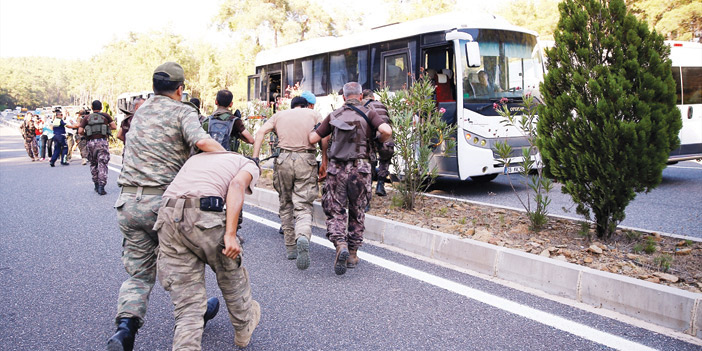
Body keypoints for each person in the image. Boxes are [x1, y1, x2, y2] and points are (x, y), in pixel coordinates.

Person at [108, 62, 226, 351]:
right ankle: (193, 314)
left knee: (139, 273)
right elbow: (202, 142)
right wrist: (231, 159)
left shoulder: (141, 110)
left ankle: (125, 328)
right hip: (165, 205)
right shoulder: (183, 110)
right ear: (180, 89)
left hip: (128, 202)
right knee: (186, 265)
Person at [156, 151, 262, 349]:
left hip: (168, 217)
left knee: (188, 306)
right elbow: (237, 186)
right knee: (230, 272)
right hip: (204, 215)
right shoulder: (248, 164)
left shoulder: (196, 158)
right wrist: (230, 234)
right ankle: (243, 329)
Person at [309, 82, 392, 275]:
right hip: (361, 168)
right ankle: (353, 254)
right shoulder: (369, 113)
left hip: (337, 169)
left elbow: (313, 139)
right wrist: (376, 139)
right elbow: (387, 131)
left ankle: (340, 244)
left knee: (335, 209)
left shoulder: (334, 115)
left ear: (344, 97)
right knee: (357, 209)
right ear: (361, 96)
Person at [252, 95, 324, 270]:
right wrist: (326, 161)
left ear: (292, 106)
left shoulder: (279, 115)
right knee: (303, 204)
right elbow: (324, 137)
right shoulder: (314, 115)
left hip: (283, 159)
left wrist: (255, 158)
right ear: (306, 105)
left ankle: (291, 247)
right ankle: (303, 236)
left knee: (285, 203)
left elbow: (260, 132)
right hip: (306, 159)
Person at [79, 100, 117, 195]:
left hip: (91, 143)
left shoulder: (87, 118)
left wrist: (88, 132)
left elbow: (80, 131)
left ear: (92, 108)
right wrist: (105, 128)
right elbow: (114, 127)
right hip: (102, 142)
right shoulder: (105, 116)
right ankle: (101, 186)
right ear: (101, 107)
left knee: (93, 163)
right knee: (102, 163)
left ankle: (96, 184)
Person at [361, 89, 394, 197]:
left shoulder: (363, 105)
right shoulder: (382, 105)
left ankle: (368, 191)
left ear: (363, 97)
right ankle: (380, 185)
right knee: (385, 160)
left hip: (373, 137)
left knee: (370, 162)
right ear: (373, 97)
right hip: (387, 138)